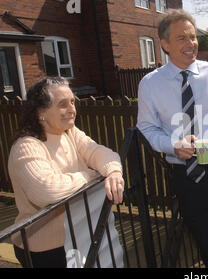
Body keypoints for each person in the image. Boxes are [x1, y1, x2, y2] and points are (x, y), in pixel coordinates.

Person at [136, 10, 208, 268]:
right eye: (181, 38)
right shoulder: (150, 84)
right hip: (188, 177)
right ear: (164, 44)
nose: (190, 44)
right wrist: (171, 145)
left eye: (193, 37)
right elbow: (146, 126)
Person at [8, 77, 124, 268]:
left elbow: (99, 152)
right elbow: (45, 191)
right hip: (45, 249)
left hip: (78, 236)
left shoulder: (69, 133)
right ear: (40, 112)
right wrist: (89, 175)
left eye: (72, 102)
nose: (72, 109)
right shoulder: (26, 146)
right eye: (63, 104)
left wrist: (113, 172)